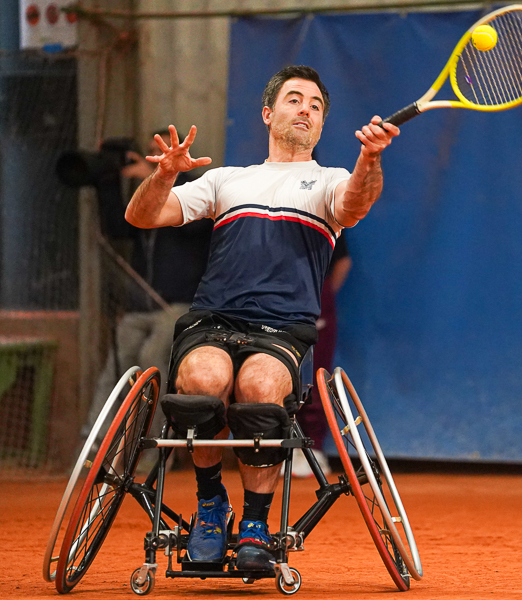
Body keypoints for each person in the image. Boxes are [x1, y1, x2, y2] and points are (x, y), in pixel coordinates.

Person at [125, 65, 399, 569]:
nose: (306, 110)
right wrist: (165, 175)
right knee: (205, 379)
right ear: (269, 114)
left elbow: (357, 201)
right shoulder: (227, 180)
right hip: (213, 319)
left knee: (257, 389)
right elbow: (142, 216)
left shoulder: (331, 182)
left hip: (282, 328)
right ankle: (211, 506)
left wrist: (370, 158)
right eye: (295, 100)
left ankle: (255, 520)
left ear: (320, 126)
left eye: (316, 106)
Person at [80, 131, 212, 443]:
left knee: (152, 360)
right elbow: (118, 227)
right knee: (115, 366)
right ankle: (93, 445)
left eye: (163, 151)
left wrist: (166, 177)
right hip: (140, 306)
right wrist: (108, 180)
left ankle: (148, 447)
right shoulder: (146, 203)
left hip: (179, 305)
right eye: (153, 153)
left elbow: (201, 218)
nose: (158, 158)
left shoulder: (198, 192)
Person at [289, 230, 351, 477]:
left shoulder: (328, 212)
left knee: (316, 373)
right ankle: (286, 445)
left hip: (317, 295)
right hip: (277, 295)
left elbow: (343, 260)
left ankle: (314, 447)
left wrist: (323, 294)